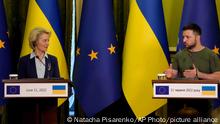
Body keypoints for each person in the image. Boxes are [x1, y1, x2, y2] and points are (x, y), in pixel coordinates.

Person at [165, 23, 220, 118]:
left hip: (203, 101)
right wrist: (171, 74)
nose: (184, 40)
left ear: (197, 37)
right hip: (179, 100)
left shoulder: (211, 55)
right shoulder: (179, 55)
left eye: (187, 37)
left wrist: (198, 74)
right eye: (183, 37)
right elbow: (174, 73)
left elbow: (218, 77)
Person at [8, 27, 60, 124]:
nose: (47, 43)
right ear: (35, 42)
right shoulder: (24, 61)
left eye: (48, 40)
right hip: (29, 108)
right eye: (44, 40)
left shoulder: (53, 60)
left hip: (49, 107)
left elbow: (58, 81)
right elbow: (20, 85)